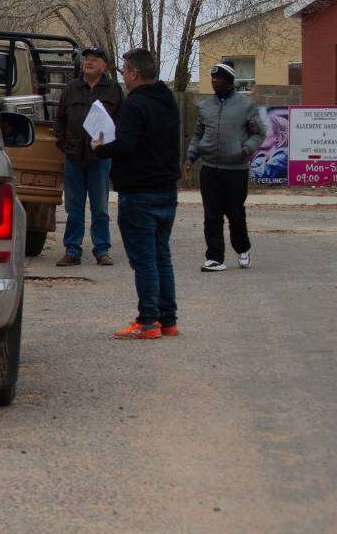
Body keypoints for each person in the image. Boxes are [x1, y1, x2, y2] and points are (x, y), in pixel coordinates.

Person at [92, 48, 180, 340]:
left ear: (134, 73)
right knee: (161, 256)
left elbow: (125, 145)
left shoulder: (135, 105)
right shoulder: (168, 101)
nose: (124, 78)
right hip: (166, 189)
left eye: (125, 72)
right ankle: (168, 319)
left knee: (144, 260)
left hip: (139, 192)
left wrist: (101, 147)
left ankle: (147, 320)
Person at [186, 62, 266, 272]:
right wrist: (190, 157)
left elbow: (258, 133)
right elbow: (198, 135)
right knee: (211, 214)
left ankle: (242, 248)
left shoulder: (246, 105)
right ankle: (214, 257)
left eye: (218, 78)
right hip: (210, 168)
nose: (214, 81)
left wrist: (245, 150)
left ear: (229, 81)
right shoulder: (205, 106)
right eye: (212, 78)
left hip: (236, 170)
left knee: (235, 212)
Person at [52, 47, 124, 267]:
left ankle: (102, 250)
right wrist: (64, 145)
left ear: (104, 66)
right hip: (73, 157)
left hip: (100, 158)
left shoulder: (114, 90)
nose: (89, 63)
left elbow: (121, 122)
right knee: (74, 208)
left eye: (94, 60)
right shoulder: (71, 88)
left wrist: (110, 145)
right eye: (86, 59)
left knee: (100, 207)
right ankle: (72, 250)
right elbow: (60, 120)